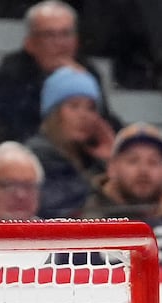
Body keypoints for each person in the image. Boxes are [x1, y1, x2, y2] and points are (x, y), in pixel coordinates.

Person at [0, 1, 118, 155]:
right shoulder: (8, 74)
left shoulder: (86, 72)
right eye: (49, 35)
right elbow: (8, 127)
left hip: (84, 156)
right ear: (30, 43)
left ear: (76, 40)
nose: (60, 44)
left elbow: (104, 120)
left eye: (66, 34)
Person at [26, 64, 109, 219]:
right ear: (54, 113)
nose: (84, 115)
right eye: (74, 106)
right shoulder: (33, 157)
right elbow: (57, 208)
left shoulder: (93, 161)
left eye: (91, 108)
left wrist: (111, 162)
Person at [80, 122, 162, 222]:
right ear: (112, 168)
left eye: (153, 162)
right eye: (133, 160)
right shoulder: (88, 220)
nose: (143, 170)